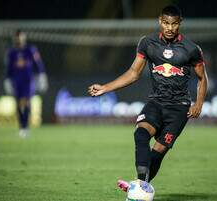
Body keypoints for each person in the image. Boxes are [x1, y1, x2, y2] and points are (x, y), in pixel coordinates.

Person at [88, 5, 208, 192]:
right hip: (156, 102)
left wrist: (198, 103)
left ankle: (137, 186)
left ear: (180, 23)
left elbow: (202, 78)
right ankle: (140, 188)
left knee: (158, 153)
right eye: (166, 23)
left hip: (179, 109)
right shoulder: (148, 43)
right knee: (140, 134)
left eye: (174, 24)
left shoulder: (192, 49)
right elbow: (133, 73)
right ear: (160, 21)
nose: (169, 28)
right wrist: (106, 87)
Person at [4, 30, 48, 138]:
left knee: (26, 102)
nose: (19, 39)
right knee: (19, 104)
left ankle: (26, 126)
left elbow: (38, 64)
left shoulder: (30, 50)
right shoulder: (12, 52)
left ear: (24, 37)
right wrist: (7, 80)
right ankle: (22, 127)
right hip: (16, 81)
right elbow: (9, 68)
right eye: (17, 37)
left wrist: (42, 76)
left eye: (20, 37)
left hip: (28, 81)